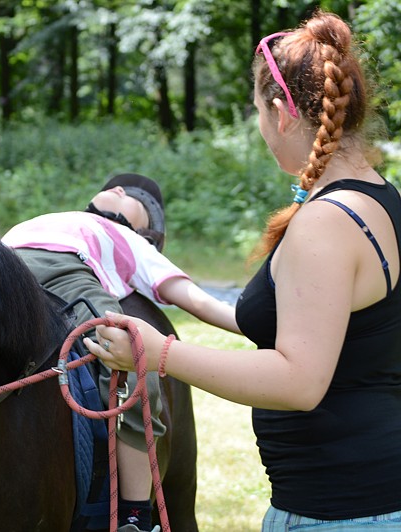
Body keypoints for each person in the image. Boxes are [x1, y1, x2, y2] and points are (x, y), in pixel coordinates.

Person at [85, 10, 401, 530]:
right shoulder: (379, 198)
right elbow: (320, 323)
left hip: (342, 512)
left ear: (280, 113)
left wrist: (158, 351)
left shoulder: (325, 223)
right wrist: (190, 298)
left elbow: (299, 381)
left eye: (256, 110)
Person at [1, 173, 240, 532]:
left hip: (10, 268)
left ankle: (132, 517)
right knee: (135, 364)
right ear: (115, 193)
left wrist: (255, 325)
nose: (144, 237)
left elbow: (190, 296)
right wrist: (258, 325)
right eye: (144, 222)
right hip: (36, 270)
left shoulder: (74, 226)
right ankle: (134, 512)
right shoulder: (124, 235)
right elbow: (194, 300)